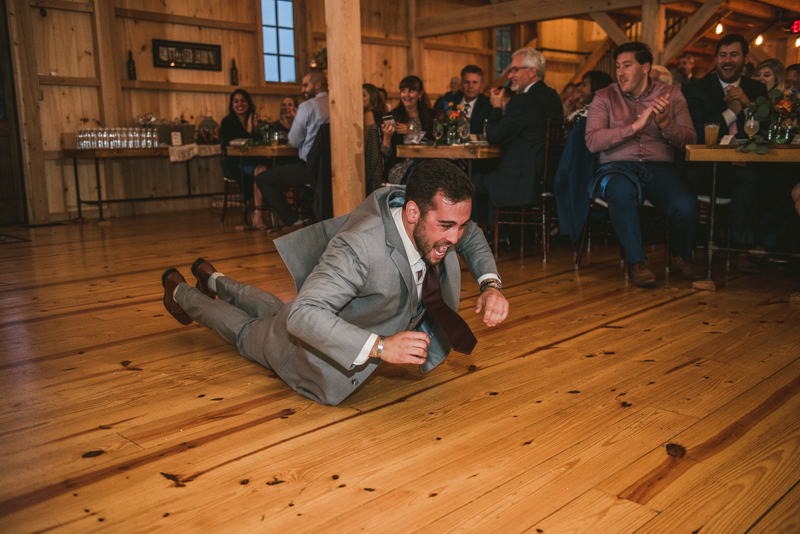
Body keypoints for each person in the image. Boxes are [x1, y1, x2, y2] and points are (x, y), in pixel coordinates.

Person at [160, 160, 510, 406]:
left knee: (276, 309)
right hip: (307, 349)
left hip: (324, 316)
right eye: (447, 226)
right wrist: (381, 348)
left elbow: (474, 235)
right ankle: (182, 293)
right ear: (413, 213)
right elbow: (303, 317)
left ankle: (215, 278)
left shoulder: (438, 221)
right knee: (247, 330)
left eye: (460, 225)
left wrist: (490, 284)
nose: (456, 236)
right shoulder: (360, 245)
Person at [585, 41, 698, 287]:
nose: (620, 72)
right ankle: (638, 262)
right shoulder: (604, 96)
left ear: (645, 67)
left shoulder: (672, 94)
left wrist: (666, 123)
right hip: (616, 167)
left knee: (686, 204)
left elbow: (690, 139)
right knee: (620, 191)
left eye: (627, 65)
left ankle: (680, 255)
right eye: (618, 66)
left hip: (659, 167)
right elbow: (593, 141)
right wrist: (635, 127)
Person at [682, 33, 775, 272]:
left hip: (750, 163)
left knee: (784, 183)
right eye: (722, 55)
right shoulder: (696, 88)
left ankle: (765, 245)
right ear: (715, 59)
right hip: (707, 169)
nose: (727, 60)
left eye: (734, 54)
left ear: (744, 58)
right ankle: (742, 249)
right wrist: (731, 113)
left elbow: (766, 132)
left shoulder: (756, 89)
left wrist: (749, 106)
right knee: (749, 181)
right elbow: (697, 134)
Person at [470, 47, 563, 225]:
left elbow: (495, 136)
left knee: (468, 179)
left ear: (532, 71)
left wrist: (496, 108)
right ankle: (501, 233)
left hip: (519, 179)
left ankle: (477, 238)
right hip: (545, 175)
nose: (510, 75)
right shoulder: (553, 98)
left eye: (514, 70)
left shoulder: (522, 101)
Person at [254, 70, 330, 237]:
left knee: (262, 178)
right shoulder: (335, 103)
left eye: (305, 85)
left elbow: (294, 140)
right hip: (331, 167)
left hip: (310, 168)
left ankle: (294, 221)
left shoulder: (307, 106)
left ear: (317, 85)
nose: (302, 90)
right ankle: (307, 218)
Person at [219, 89, 269, 227]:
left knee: (266, 170)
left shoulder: (255, 119)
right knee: (262, 172)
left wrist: (255, 128)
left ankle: (268, 214)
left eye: (243, 100)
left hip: (256, 160)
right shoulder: (227, 122)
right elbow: (231, 145)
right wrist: (248, 131)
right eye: (236, 101)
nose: (239, 104)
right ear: (231, 104)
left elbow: (261, 142)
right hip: (236, 163)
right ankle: (259, 215)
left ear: (248, 103)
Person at [381, 76, 434, 184]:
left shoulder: (431, 116)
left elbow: (434, 142)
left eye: (411, 91)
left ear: (420, 94)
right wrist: (387, 137)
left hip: (426, 164)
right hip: (400, 166)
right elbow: (386, 153)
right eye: (403, 91)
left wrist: (411, 134)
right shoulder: (393, 116)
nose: (406, 95)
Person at [435, 65, 493, 136]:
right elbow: (437, 124)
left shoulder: (488, 105)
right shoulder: (448, 100)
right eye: (467, 82)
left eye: (475, 82)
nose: (470, 86)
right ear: (461, 85)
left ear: (481, 85)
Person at [363, 83, 385, 194]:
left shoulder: (368, 114)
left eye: (363, 95)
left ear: (372, 97)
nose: (360, 98)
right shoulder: (381, 113)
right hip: (381, 162)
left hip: (372, 163)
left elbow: (367, 143)